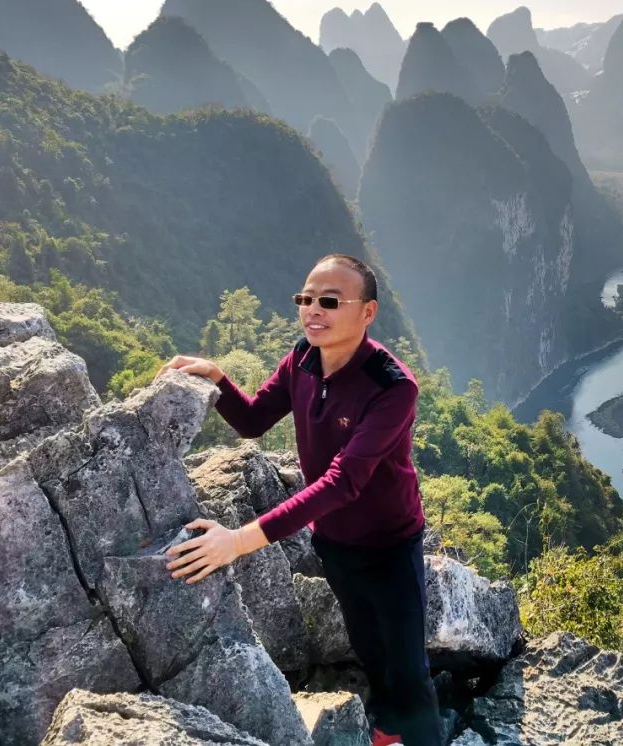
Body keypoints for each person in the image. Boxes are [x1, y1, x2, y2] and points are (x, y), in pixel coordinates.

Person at [158, 253, 440, 746]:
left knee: (409, 670)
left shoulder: (393, 387)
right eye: (305, 299)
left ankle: (421, 737)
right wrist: (218, 380)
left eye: (329, 301)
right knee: (369, 650)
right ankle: (387, 730)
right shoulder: (302, 361)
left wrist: (239, 542)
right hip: (334, 542)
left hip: (391, 547)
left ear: (367, 312)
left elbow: (343, 482)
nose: (313, 309)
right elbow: (252, 421)